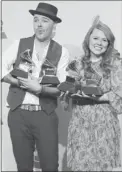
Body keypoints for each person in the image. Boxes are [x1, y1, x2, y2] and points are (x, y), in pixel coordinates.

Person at [2, 2, 69, 171]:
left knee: (50, 166)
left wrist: (40, 89)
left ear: (54, 25)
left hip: (45, 116)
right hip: (18, 114)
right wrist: (18, 82)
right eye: (36, 20)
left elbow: (62, 89)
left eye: (44, 20)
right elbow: (1, 70)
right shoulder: (19, 44)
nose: (39, 24)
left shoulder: (62, 52)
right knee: (23, 167)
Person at [62, 16, 122, 171]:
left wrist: (99, 97)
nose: (99, 43)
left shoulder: (115, 63)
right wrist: (69, 92)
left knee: (104, 166)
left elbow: (119, 91)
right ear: (88, 39)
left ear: (109, 44)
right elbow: (68, 89)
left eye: (104, 40)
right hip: (80, 122)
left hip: (104, 123)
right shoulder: (77, 62)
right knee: (82, 166)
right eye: (96, 38)